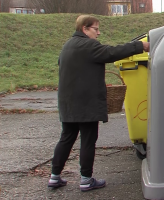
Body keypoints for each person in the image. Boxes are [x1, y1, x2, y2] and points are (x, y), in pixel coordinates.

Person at [47, 15, 149, 192]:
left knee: (66, 138)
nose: (98, 33)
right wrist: (140, 46)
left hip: (68, 102)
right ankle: (86, 180)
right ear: (85, 29)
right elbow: (112, 53)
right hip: (86, 103)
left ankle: (54, 177)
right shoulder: (88, 45)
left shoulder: (68, 46)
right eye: (96, 29)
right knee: (88, 140)